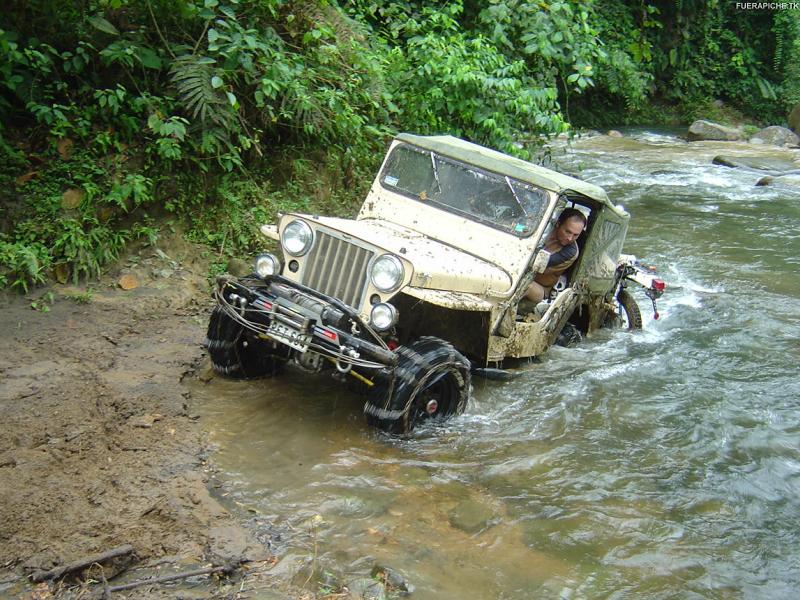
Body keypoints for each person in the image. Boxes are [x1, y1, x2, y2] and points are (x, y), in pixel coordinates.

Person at [525, 207, 587, 303]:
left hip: (540, 288)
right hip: (521, 275)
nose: (570, 238)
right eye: (567, 232)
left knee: (524, 286)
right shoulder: (543, 229)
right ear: (558, 224)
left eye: (576, 235)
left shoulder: (570, 252)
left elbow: (535, 264)